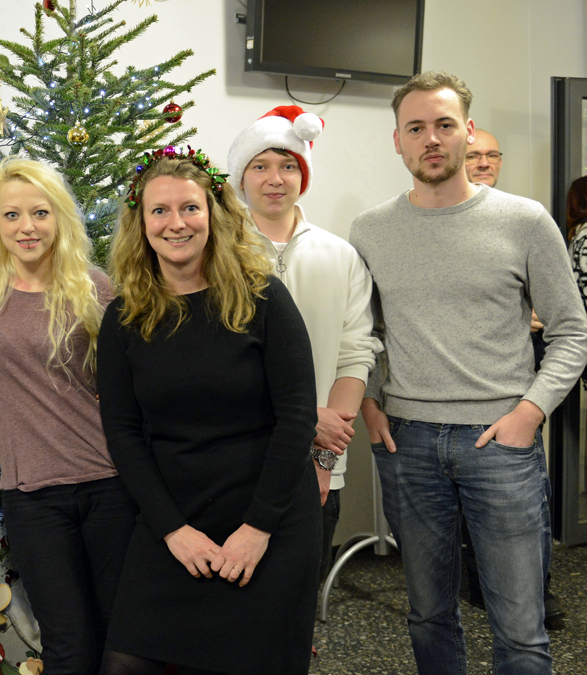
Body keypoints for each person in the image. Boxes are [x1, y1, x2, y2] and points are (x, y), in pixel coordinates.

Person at [351, 71, 587, 675]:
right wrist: (372, 408)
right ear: (398, 141)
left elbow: (571, 332)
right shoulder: (371, 229)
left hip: (499, 442)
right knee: (429, 614)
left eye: (445, 125)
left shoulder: (525, 221)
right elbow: (366, 336)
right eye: (416, 128)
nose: (431, 139)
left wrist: (529, 412)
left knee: (520, 627)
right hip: (407, 441)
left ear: (468, 132)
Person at [97, 147, 321, 675]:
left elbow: (296, 417)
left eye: (189, 208)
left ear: (212, 214)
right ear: (141, 223)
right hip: (174, 518)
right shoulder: (124, 317)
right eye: (160, 211)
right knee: (126, 664)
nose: (176, 224)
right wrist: (173, 530)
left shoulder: (262, 297)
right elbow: (123, 433)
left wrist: (258, 528)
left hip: (268, 517)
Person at [0, 157, 137, 675]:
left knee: (119, 639)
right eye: (12, 215)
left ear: (59, 217)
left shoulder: (93, 286)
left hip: (107, 484)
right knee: (65, 642)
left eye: (40, 213)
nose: (27, 227)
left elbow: (128, 387)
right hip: (32, 496)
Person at [226, 106, 381, 582]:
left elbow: (356, 353)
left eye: (288, 165)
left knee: (297, 603)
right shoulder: (219, 254)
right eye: (261, 166)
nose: (276, 179)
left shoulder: (341, 256)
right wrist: (300, 421)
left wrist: (323, 459)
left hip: (318, 465)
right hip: (238, 460)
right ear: (241, 177)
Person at [461, 128, 565, 627]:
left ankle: (535, 595)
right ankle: (480, 587)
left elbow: (563, 314)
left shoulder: (523, 217)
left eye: (490, 155)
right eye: (474, 154)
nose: (483, 162)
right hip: (445, 401)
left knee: (528, 508)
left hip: (515, 391)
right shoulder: (432, 220)